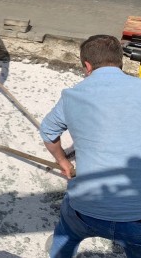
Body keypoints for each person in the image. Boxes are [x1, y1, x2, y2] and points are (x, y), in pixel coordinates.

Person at [40, 34, 141, 257]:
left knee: (67, 228)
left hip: (84, 210)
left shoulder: (72, 95)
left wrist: (64, 162)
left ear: (87, 66)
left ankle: (60, 251)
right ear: (120, 62)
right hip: (137, 218)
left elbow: (48, 132)